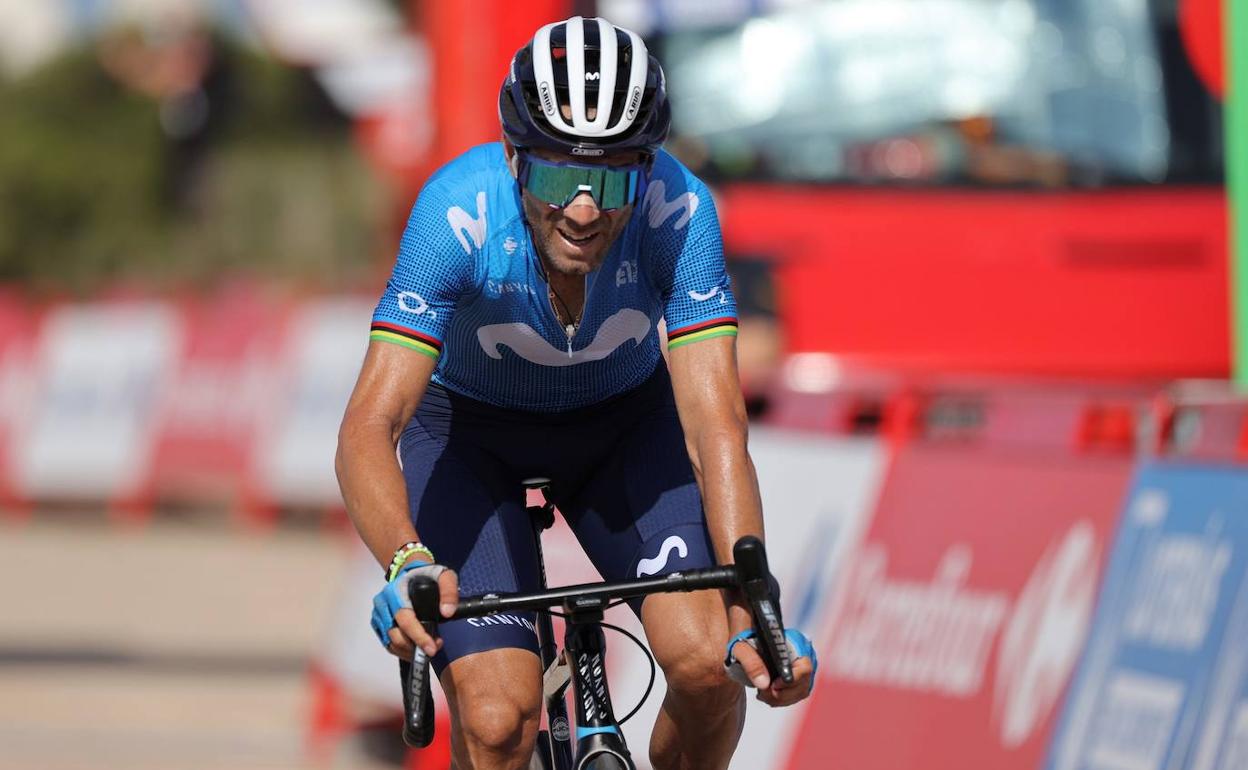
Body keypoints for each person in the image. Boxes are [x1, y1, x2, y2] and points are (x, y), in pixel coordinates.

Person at [336, 16, 815, 770]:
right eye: (560, 177)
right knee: (497, 721)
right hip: (471, 438)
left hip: (623, 432)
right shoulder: (455, 213)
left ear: (648, 168)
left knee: (708, 667)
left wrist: (754, 597)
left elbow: (715, 427)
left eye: (615, 178)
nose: (586, 211)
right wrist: (405, 563)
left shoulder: (680, 214)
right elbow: (372, 422)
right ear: (516, 161)